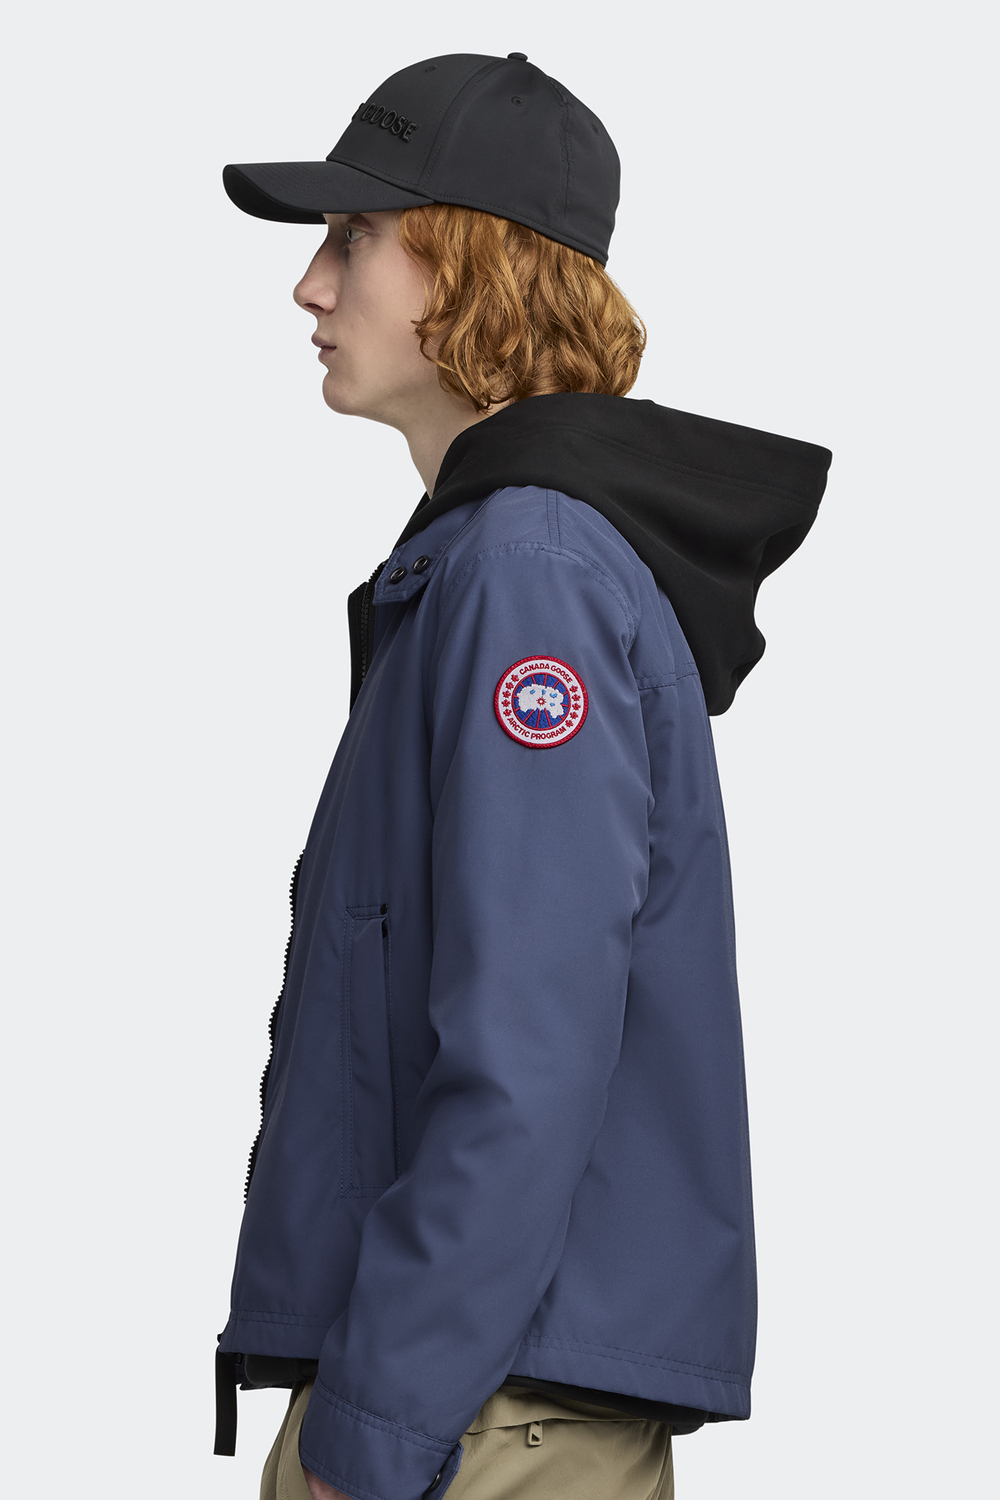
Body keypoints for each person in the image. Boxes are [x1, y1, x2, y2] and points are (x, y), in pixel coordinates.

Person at [214, 50, 832, 1500]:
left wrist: (377, 1424)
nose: (309, 286)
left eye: (354, 237)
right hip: (470, 1399)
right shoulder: (490, 561)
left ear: (472, 264)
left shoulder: (527, 572)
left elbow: (526, 1052)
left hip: (474, 1419)